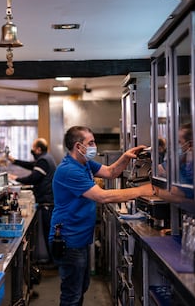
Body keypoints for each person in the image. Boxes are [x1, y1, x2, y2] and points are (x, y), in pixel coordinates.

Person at [49, 126, 153, 306]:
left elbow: (110, 172)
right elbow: (102, 196)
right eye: (91, 143)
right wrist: (143, 191)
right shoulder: (69, 170)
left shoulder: (84, 163)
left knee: (81, 287)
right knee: (72, 294)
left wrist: (126, 157)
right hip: (68, 240)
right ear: (78, 146)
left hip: (79, 238)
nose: (94, 146)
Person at [8, 137, 57, 264]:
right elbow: (31, 165)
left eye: (33, 148)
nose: (32, 150)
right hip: (48, 201)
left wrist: (16, 178)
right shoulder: (45, 158)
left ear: (38, 149)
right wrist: (15, 161)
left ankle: (53, 262)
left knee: (49, 234)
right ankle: (53, 261)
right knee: (49, 233)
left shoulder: (43, 161)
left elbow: (34, 177)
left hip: (48, 202)